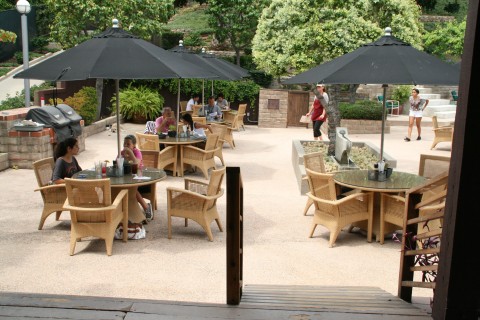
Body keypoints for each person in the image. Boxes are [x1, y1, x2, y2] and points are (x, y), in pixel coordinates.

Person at [120, 134, 153, 221]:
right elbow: (117, 163)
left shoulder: (136, 152)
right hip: (126, 176)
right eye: (124, 144)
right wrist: (121, 156)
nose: (126, 146)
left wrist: (130, 153)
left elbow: (137, 164)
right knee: (121, 187)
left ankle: (146, 207)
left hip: (139, 176)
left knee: (131, 188)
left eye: (128, 144)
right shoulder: (122, 153)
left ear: (134, 145)